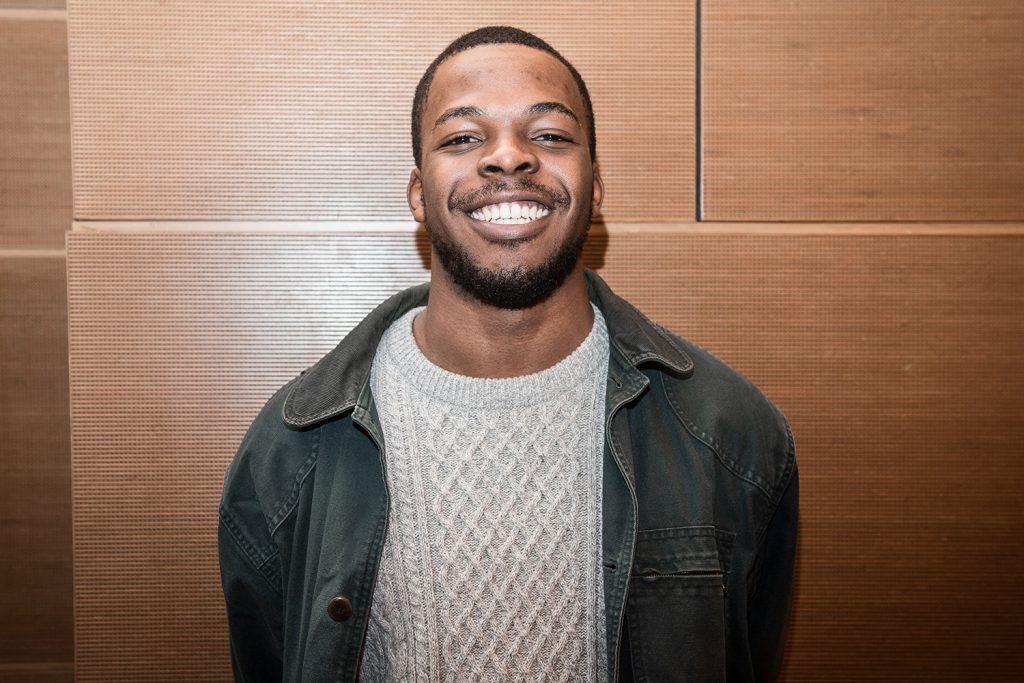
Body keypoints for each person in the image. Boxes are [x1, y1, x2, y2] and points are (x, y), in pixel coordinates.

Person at [218, 26, 798, 683]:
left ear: (596, 186)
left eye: (548, 135)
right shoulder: (291, 450)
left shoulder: (730, 434)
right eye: (464, 137)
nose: (509, 157)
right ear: (417, 194)